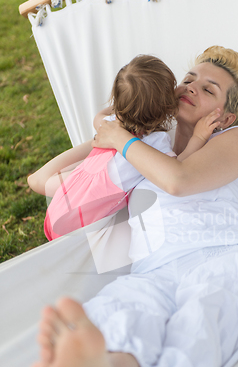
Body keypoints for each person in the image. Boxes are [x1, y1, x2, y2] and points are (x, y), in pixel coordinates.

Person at [28, 46, 238, 367]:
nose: (190, 88)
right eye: (188, 79)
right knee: (125, 311)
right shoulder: (147, 145)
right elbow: (50, 178)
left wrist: (121, 140)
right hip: (154, 272)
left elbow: (178, 180)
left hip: (222, 259)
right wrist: (102, 135)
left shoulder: (235, 140)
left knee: (198, 328)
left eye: (209, 89)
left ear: (226, 114)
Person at [27, 55, 179, 240]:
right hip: (77, 228)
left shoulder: (109, 124)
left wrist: (120, 107)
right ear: (167, 107)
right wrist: (198, 137)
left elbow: (98, 116)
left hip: (58, 210)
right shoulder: (155, 142)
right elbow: (176, 166)